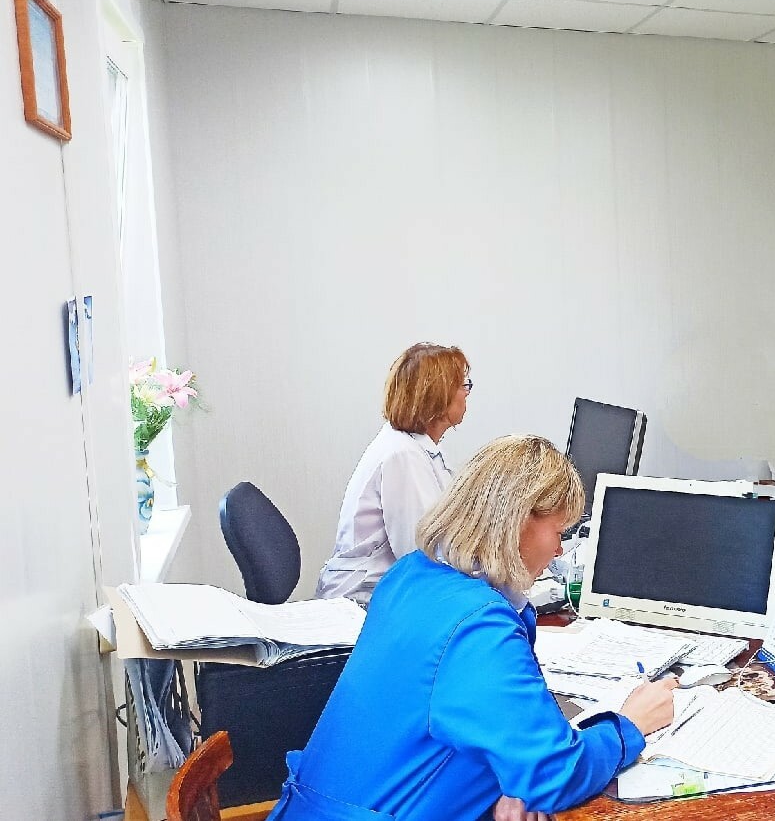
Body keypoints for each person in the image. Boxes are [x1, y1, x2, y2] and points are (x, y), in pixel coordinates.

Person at [270, 435, 679, 821]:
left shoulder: (410, 574)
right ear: (520, 521)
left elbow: (455, 719)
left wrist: (510, 776)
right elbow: (555, 774)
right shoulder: (480, 626)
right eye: (559, 532)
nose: (559, 550)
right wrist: (629, 726)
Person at [315, 343, 471, 605]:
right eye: (462, 385)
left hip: (392, 590)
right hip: (363, 600)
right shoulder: (402, 455)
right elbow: (422, 553)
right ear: (439, 395)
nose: (466, 393)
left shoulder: (420, 448)